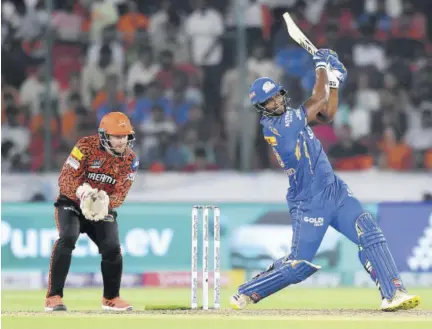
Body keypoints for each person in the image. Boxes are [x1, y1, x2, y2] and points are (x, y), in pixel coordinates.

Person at [230, 49, 420, 312]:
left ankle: (394, 293)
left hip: (335, 191)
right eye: (269, 101)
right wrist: (321, 66)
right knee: (299, 267)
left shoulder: (292, 118)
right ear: (262, 108)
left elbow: (326, 113)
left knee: (370, 233)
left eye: (276, 96)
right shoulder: (278, 126)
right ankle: (248, 292)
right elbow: (319, 99)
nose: (276, 102)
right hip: (309, 202)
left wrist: (334, 82)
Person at [45, 112, 139, 312]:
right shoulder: (85, 146)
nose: (122, 141)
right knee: (67, 238)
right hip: (71, 203)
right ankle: (53, 297)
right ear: (104, 135)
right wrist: (82, 192)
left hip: (100, 208)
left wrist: (105, 203)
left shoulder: (130, 159)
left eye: (125, 136)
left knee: (112, 248)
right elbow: (66, 178)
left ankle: (111, 298)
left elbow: (121, 192)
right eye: (117, 136)